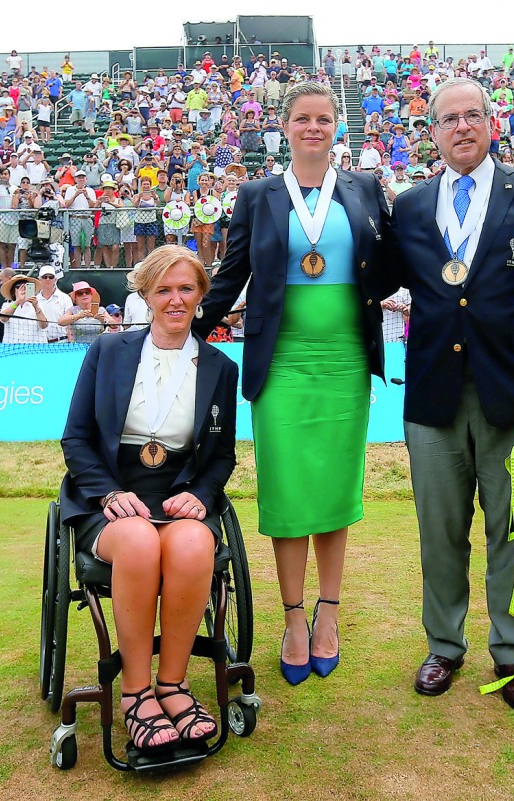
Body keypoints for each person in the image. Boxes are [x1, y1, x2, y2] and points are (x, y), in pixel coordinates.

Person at [194, 82, 392, 686]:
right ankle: (294, 619)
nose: (314, 127)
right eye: (303, 119)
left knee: (334, 491)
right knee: (286, 493)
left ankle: (329, 614)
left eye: (324, 119)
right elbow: (230, 277)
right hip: (279, 364)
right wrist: (184, 328)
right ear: (284, 127)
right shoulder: (256, 195)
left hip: (345, 362)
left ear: (338, 127)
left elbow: (389, 268)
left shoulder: (364, 189)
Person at [383, 76, 514, 713]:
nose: (461, 127)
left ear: (491, 123)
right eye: (448, 119)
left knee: (513, 530)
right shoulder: (408, 206)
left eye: (473, 116)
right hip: (434, 394)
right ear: (432, 133)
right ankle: (444, 646)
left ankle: (512, 656)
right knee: (439, 531)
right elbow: (372, 280)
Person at [60, 245, 235, 752]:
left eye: (186, 288)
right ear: (146, 294)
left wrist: (202, 494)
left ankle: (173, 685)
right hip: (110, 493)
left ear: (201, 295)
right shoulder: (108, 352)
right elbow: (76, 438)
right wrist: (109, 492)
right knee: (137, 542)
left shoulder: (220, 367)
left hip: (177, 491)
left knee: (195, 547)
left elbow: (221, 455)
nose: (175, 299)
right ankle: (136, 691)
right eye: (164, 290)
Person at [0, 273, 48, 343]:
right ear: (13, 291)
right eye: (18, 286)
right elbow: (3, 318)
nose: (22, 288)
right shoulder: (7, 305)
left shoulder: (39, 303)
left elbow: (44, 325)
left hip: (34, 348)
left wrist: (36, 307)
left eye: (26, 286)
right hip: (12, 347)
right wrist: (18, 301)